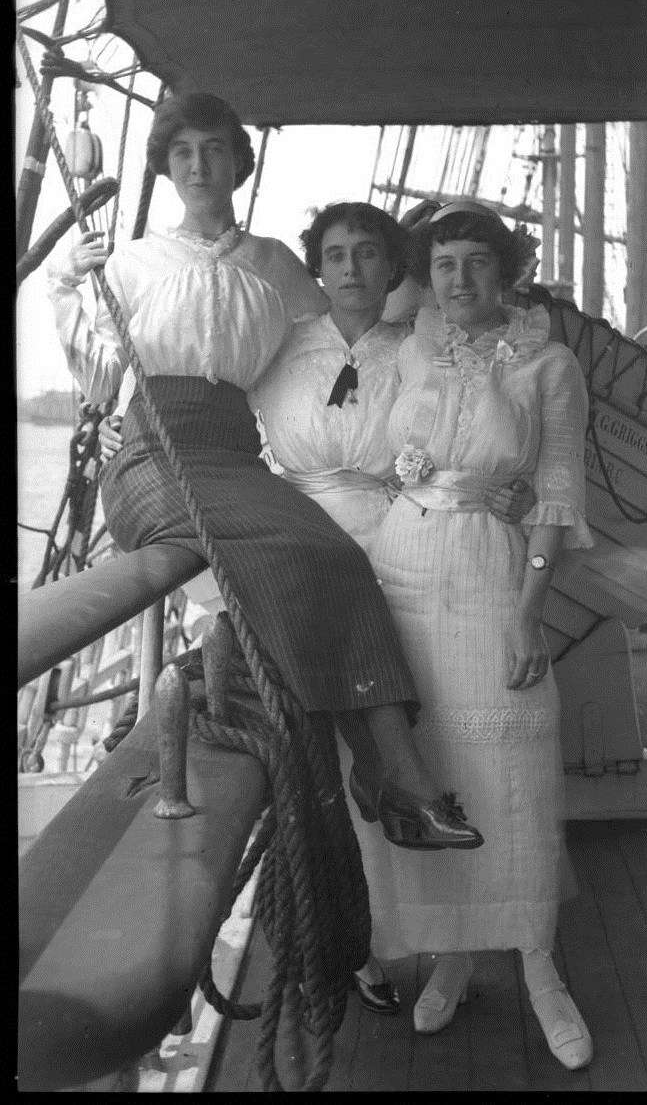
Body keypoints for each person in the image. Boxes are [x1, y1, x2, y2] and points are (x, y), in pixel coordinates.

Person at [99, 197, 536, 1015]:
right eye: (335, 254)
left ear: (393, 267)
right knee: (311, 762)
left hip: (399, 547)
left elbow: (476, 433)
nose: (351, 268)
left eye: (368, 253)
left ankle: (433, 935)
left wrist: (506, 488)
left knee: (427, 726)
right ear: (316, 269)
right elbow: (205, 389)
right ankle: (346, 942)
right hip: (292, 545)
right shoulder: (282, 343)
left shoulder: (420, 347)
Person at [47, 92, 482, 853]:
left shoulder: (275, 265)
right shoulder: (135, 261)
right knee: (299, 561)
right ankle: (398, 780)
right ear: (166, 165)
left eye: (214, 149)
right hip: (153, 453)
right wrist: (64, 283)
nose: (198, 166)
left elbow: (348, 323)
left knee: (337, 558)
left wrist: (452, 302)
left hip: (233, 457)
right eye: (182, 152)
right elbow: (101, 375)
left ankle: (392, 774)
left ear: (238, 163)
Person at [359, 200, 595, 1067]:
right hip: (401, 566)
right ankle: (452, 952)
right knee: (430, 765)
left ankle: (538, 962)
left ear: (506, 271)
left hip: (494, 572)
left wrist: (527, 611)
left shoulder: (548, 363)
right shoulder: (409, 349)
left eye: (476, 262)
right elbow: (374, 457)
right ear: (428, 275)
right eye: (444, 263)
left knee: (514, 768)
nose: (459, 279)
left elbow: (557, 493)